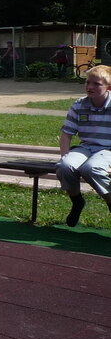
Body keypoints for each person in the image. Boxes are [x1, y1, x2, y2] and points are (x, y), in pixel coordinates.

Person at [57, 65, 111, 227]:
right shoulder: (79, 105)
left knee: (91, 169)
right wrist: (64, 155)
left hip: (107, 149)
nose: (90, 87)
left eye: (96, 84)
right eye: (88, 82)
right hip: (86, 147)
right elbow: (66, 135)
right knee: (65, 166)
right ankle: (77, 201)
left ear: (108, 87)